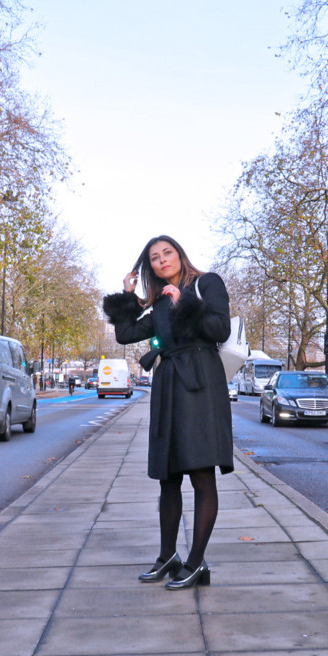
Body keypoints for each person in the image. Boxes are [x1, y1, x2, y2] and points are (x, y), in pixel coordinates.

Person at [102, 235, 233, 590]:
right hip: (169, 386)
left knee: (202, 475)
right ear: (150, 267)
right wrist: (127, 296)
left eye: (167, 253)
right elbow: (126, 334)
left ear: (179, 254)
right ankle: (168, 556)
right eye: (154, 258)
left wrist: (184, 302)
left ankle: (196, 562)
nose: (162, 260)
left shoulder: (207, 283)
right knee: (168, 477)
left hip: (201, 386)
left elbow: (220, 329)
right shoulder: (159, 302)